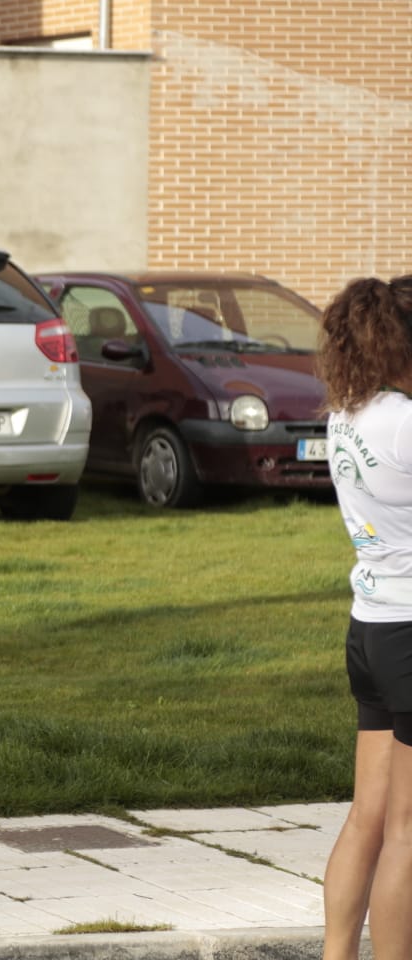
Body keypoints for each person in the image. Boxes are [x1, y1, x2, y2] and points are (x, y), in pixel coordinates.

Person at [317, 274, 412, 960]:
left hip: (371, 626)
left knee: (367, 819)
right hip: (410, 632)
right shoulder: (405, 422)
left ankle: (337, 953)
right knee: (408, 828)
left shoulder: (343, 417)